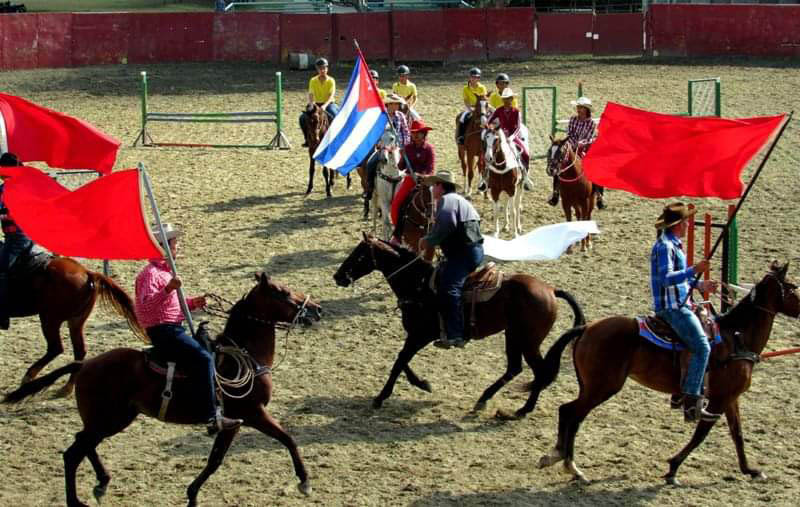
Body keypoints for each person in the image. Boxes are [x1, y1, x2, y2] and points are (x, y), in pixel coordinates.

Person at [135, 223, 242, 435]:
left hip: (173, 327)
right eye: (174, 244)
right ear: (163, 247)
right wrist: (168, 289)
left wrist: (193, 303)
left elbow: (172, 305)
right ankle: (211, 416)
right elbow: (145, 307)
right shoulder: (150, 274)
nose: (178, 247)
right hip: (164, 331)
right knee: (203, 358)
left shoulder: (165, 273)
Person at [651, 203, 720, 423]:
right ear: (678, 225)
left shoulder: (673, 244)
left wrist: (701, 285)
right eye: (686, 222)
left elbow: (682, 280)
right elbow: (666, 278)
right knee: (702, 347)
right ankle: (691, 401)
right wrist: (694, 270)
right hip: (673, 307)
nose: (689, 224)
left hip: (681, 302)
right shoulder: (665, 247)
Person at [419, 171, 484, 349]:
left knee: (449, 288)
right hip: (467, 251)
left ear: (440, 186)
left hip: (463, 254)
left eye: (434, 185)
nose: (432, 188)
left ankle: (456, 334)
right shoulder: (459, 200)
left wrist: (428, 240)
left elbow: (447, 224)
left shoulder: (447, 201)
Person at [548, 96, 606, 209]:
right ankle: (555, 193)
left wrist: (582, 143)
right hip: (571, 146)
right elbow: (569, 133)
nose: (579, 109)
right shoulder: (573, 119)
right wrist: (571, 145)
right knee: (557, 163)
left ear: (586, 109)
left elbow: (590, 138)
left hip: (584, 149)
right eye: (578, 107)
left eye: (581, 107)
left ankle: (599, 195)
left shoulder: (591, 124)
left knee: (595, 167)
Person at [0, 152, 33, 330]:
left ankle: (3, 313)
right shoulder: (4, 188)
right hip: (13, 237)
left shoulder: (17, 189)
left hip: (18, 239)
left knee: (2, 268)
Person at [389, 119, 436, 245]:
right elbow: (400, 167)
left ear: (424, 134)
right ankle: (398, 234)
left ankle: (437, 232)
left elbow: (431, 169)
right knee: (397, 204)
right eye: (413, 133)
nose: (415, 135)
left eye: (418, 133)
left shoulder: (429, 149)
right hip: (410, 180)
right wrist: (401, 156)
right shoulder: (408, 148)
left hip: (425, 182)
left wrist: (420, 175)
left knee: (434, 204)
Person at [482, 88, 533, 192]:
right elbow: (489, 120)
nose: (506, 101)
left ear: (511, 99)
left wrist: (512, 137)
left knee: (526, 154)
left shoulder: (516, 112)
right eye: (504, 99)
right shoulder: (498, 110)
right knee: (489, 151)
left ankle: (525, 176)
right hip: (501, 135)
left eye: (508, 99)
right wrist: (488, 126)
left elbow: (518, 127)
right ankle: (485, 178)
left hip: (514, 137)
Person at [363, 93, 410, 201]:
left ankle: (409, 189)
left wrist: (404, 145)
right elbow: (374, 133)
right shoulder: (381, 117)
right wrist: (379, 144)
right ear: (389, 104)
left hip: (398, 148)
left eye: (398, 104)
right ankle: (369, 189)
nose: (398, 106)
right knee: (370, 164)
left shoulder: (400, 116)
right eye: (396, 104)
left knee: (410, 164)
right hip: (383, 147)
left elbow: (406, 131)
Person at [299, 57, 338, 147]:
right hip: (316, 104)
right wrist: (312, 104)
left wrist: (324, 106)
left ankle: (335, 138)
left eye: (324, 68)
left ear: (327, 69)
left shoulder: (331, 80)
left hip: (328, 104)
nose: (322, 70)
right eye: (320, 68)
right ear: (317, 69)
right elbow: (311, 94)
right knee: (302, 118)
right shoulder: (313, 80)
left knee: (335, 115)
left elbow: (331, 96)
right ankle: (307, 139)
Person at [456, 67, 487, 146]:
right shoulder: (465, 88)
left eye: (476, 77)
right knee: (462, 118)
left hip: (480, 107)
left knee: (487, 118)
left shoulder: (482, 88)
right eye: (472, 77)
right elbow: (466, 100)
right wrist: (470, 108)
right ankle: (461, 136)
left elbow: (484, 99)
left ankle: (488, 136)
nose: (474, 79)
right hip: (470, 107)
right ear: (469, 77)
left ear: (479, 78)